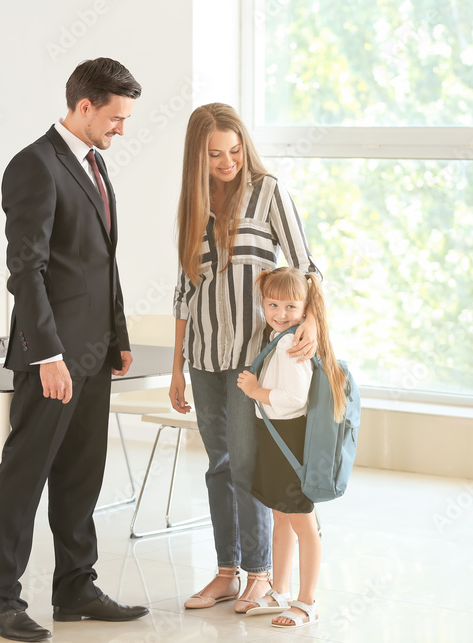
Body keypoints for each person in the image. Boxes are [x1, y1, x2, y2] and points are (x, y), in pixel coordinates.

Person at [0, 58, 148, 642]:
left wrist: (118, 337)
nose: (121, 129)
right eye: (116, 118)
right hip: (51, 357)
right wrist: (47, 354)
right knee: (24, 477)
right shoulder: (33, 166)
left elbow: (102, 262)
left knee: (81, 476)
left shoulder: (95, 166)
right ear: (84, 107)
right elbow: (27, 271)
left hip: (95, 354)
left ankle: (76, 587)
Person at [170, 103, 321, 613]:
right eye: (214, 154)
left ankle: (260, 575)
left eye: (234, 151)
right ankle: (226, 573)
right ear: (198, 154)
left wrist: (313, 326)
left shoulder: (268, 191)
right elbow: (184, 292)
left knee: (244, 465)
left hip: (252, 359)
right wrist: (176, 370)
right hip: (204, 357)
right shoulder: (191, 203)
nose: (227, 161)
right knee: (218, 465)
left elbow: (305, 267)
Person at [235, 267, 348, 628]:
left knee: (302, 522)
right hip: (278, 439)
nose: (280, 313)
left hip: (289, 440)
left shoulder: (289, 343)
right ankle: (279, 591)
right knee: (280, 515)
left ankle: (306, 601)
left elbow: (292, 399)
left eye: (290, 306)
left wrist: (255, 392)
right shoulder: (281, 335)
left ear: (305, 308)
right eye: (272, 304)